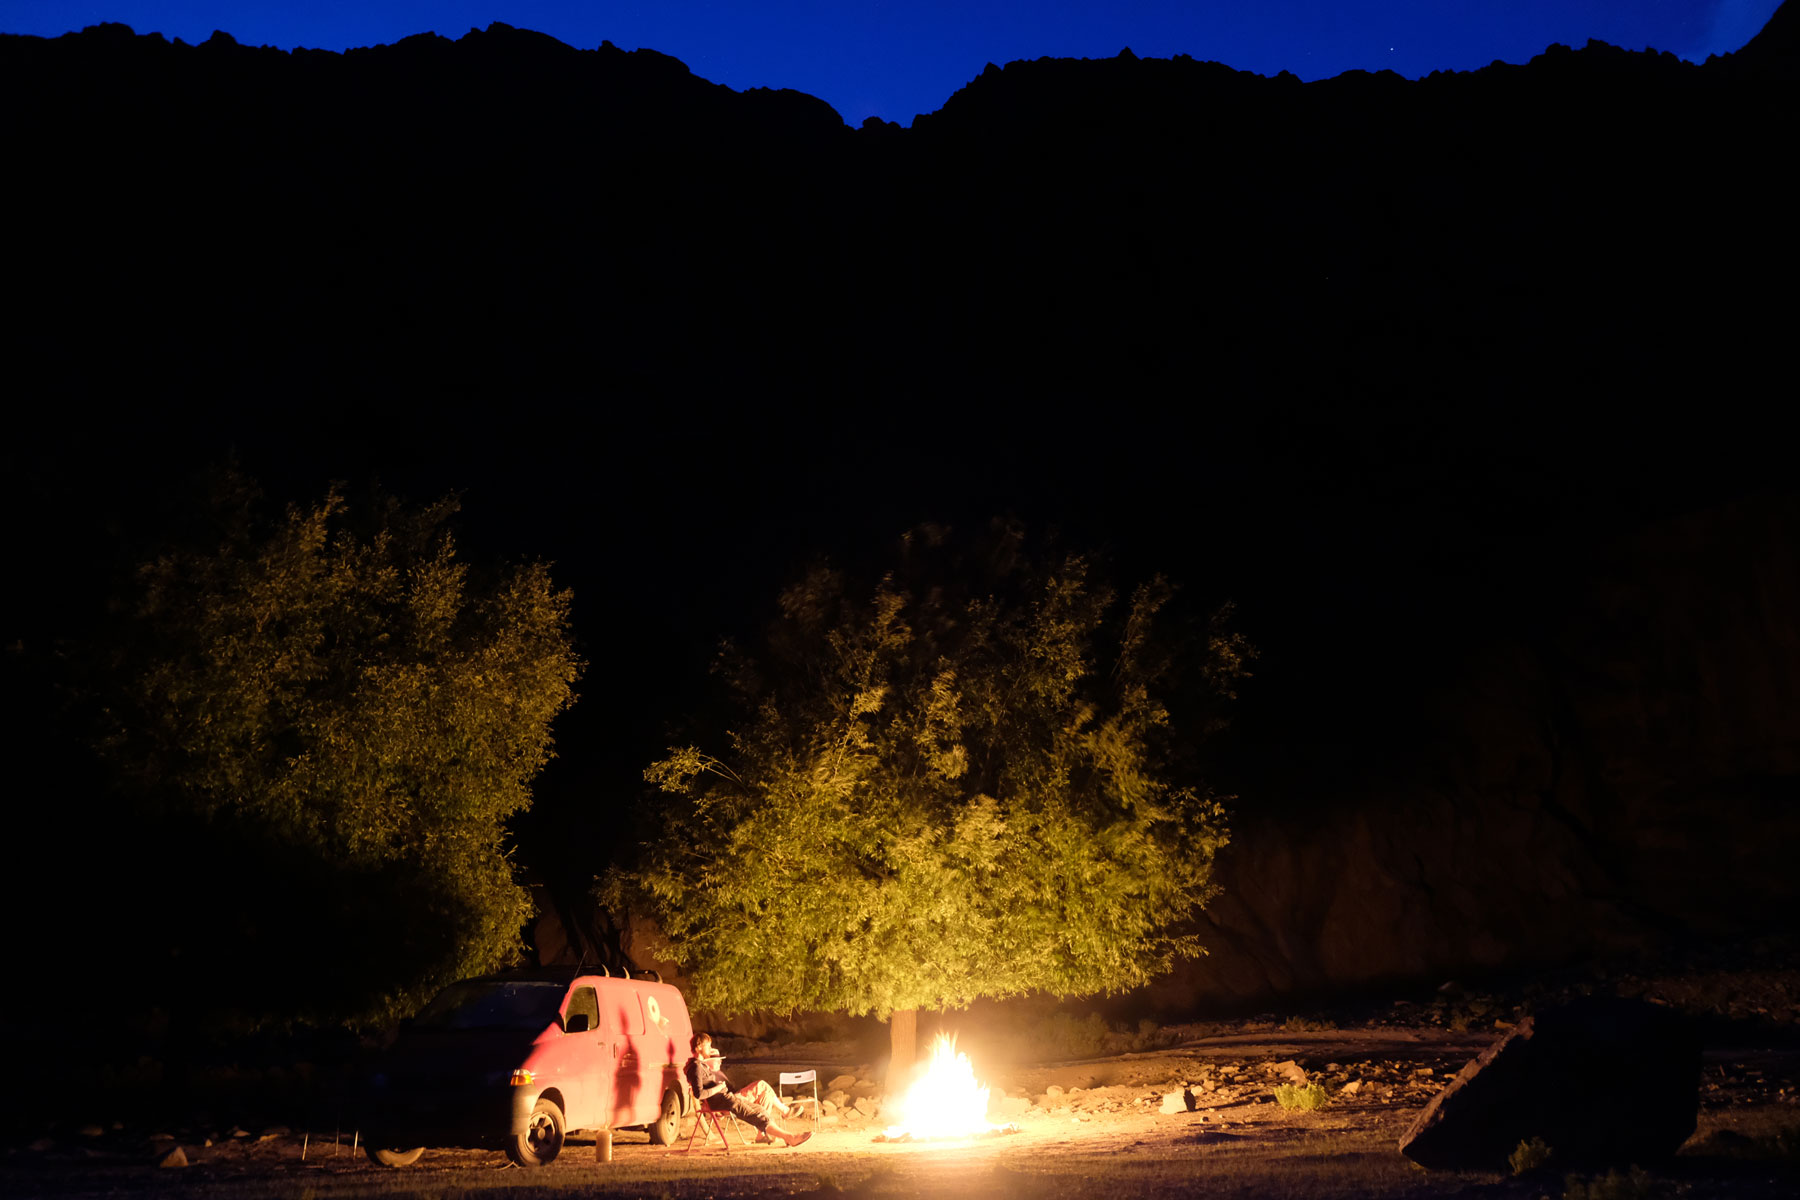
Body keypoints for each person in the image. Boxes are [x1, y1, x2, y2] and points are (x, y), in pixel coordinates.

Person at [685, 1032, 812, 1147]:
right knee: (756, 1114)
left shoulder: (701, 1066)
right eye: (708, 1045)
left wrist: (721, 1088)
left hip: (728, 1098)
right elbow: (699, 1094)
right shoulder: (696, 1067)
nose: (710, 1048)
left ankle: (782, 1136)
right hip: (725, 1102)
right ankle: (790, 1137)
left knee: (760, 1109)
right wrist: (719, 1087)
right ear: (699, 1047)